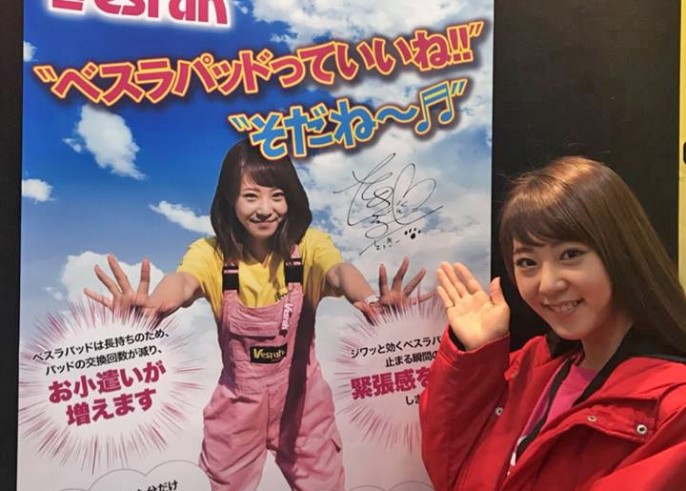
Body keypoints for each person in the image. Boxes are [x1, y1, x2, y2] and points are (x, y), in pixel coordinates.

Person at [86, 139, 426, 491]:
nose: (265, 209)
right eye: (250, 196)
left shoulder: (309, 246)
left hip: (304, 406)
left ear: (291, 198)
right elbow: (184, 280)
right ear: (229, 200)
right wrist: (153, 305)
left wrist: (368, 297)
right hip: (236, 409)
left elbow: (338, 271)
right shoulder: (211, 254)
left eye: (277, 195)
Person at [419, 156, 686, 491]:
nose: (547, 284)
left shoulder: (673, 410)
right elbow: (448, 471)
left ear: (621, 251)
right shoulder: (532, 365)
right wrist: (476, 358)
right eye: (527, 262)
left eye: (570, 255)